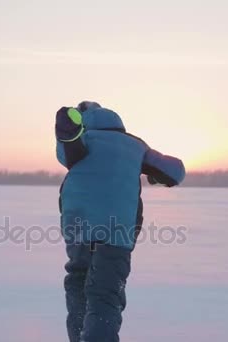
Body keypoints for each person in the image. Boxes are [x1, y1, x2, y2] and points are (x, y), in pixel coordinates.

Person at [55, 101, 186, 342]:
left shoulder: (80, 138)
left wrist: (68, 134)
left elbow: (67, 153)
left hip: (78, 226)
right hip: (117, 231)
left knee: (78, 282)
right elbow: (175, 171)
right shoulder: (134, 145)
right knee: (105, 293)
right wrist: (156, 174)